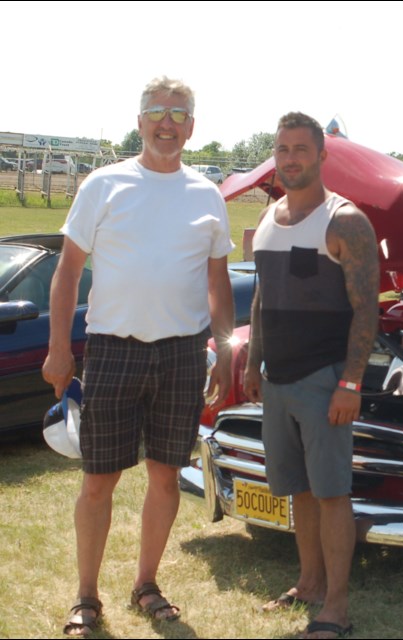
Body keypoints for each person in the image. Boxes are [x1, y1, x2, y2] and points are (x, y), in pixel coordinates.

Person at [42, 76, 235, 637]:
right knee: (98, 481)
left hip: (180, 357)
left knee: (166, 477)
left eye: (179, 114)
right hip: (111, 352)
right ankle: (85, 596)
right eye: (157, 111)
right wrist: (59, 349)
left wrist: (223, 353)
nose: (167, 122)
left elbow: (218, 283)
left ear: (192, 128)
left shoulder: (207, 195)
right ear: (139, 121)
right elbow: (67, 272)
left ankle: (146, 584)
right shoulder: (103, 185)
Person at [244, 112, 379, 639]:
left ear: (323, 156)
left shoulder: (344, 220)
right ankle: (308, 584)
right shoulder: (269, 218)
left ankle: (337, 609)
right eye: (282, 149)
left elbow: (366, 309)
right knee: (298, 489)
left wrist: (350, 381)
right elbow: (261, 297)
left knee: (330, 493)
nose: (291, 158)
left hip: (325, 381)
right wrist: (254, 362)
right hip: (276, 381)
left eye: (302, 149)